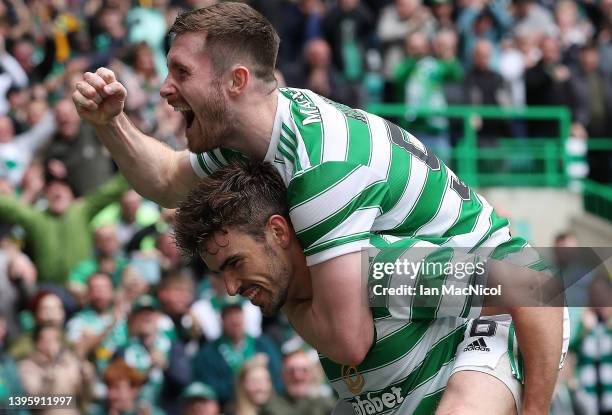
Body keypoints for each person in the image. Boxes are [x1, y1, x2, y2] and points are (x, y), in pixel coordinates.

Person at [73, 3, 566, 413]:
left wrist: (278, 287)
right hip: (426, 305)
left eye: (181, 72)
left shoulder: (322, 168)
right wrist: (110, 124)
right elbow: (164, 180)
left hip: (500, 298)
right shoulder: (254, 143)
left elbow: (346, 338)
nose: (164, 88)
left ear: (236, 81)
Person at [174, 161, 570, 414]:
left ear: (278, 232)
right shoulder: (287, 291)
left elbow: (533, 288)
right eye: (218, 273)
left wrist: (535, 410)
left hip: (505, 327)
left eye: (235, 263)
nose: (229, 288)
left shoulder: (377, 272)